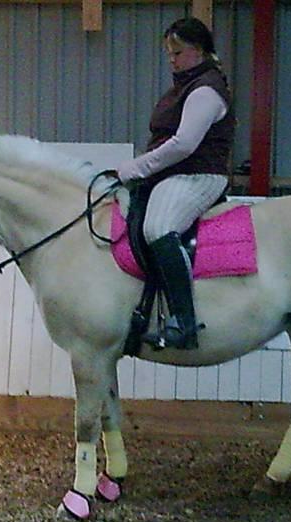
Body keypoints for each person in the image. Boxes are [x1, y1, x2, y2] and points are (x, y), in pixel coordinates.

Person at [117, 17, 236, 350]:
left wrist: (137, 167)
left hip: (199, 175)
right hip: (172, 175)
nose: (172, 59)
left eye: (177, 52)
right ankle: (141, 310)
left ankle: (184, 322)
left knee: (158, 228)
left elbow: (184, 144)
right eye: (169, 53)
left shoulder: (206, 91)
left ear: (197, 51)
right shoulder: (185, 87)